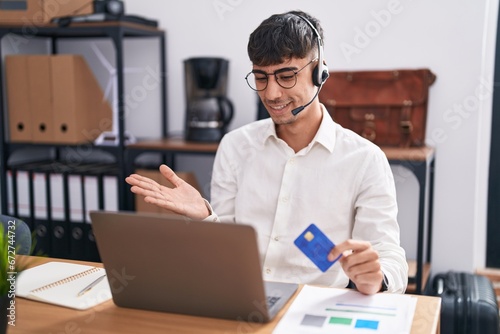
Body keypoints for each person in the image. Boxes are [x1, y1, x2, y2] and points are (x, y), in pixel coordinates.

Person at [126, 10, 408, 295]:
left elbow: (389, 255)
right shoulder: (235, 147)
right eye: (261, 77)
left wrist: (377, 277)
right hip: (244, 296)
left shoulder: (365, 160)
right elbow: (228, 248)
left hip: (318, 304)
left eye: (286, 76)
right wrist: (205, 217)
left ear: (319, 72)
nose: (271, 94)